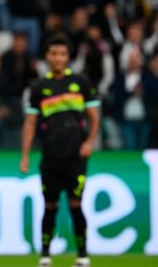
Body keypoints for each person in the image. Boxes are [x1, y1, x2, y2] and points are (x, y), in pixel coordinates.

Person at [19, 35, 100, 267]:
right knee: (50, 206)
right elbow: (30, 124)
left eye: (62, 54)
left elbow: (94, 117)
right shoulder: (38, 88)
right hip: (50, 157)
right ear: (47, 56)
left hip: (76, 156)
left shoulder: (82, 83)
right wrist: (24, 156)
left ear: (68, 57)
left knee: (76, 204)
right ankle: (45, 255)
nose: (58, 58)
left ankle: (82, 256)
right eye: (54, 54)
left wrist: (90, 142)